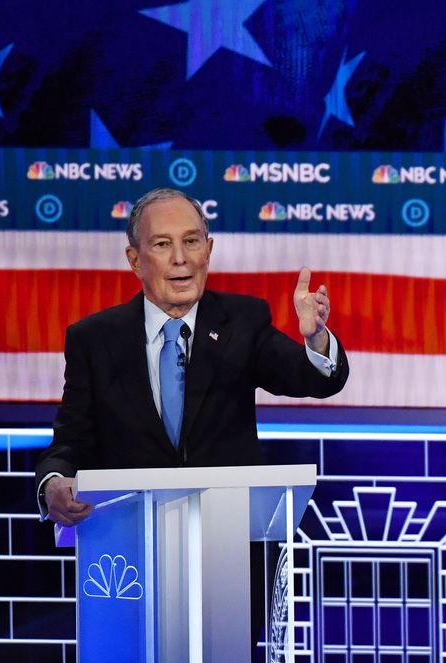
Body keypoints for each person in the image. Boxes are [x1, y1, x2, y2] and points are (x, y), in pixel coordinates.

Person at [35, 187, 349, 525]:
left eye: (191, 241)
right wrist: (51, 485)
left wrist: (317, 337)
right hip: (128, 542)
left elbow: (309, 377)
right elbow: (70, 444)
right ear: (135, 260)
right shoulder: (94, 339)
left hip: (226, 535)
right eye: (162, 244)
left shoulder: (242, 321)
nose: (180, 258)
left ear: (208, 250)